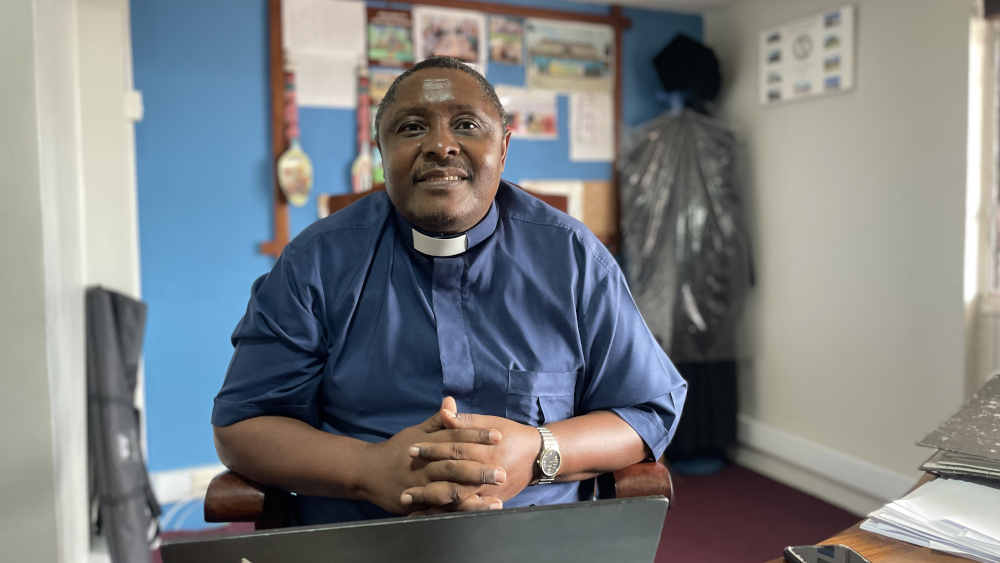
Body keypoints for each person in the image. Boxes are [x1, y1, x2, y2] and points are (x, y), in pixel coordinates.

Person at [212, 56, 687, 524]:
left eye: (465, 124)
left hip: (533, 538)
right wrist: (366, 469)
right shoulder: (315, 261)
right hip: (362, 537)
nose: (440, 145)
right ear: (381, 152)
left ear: (502, 148)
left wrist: (541, 452)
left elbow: (648, 409)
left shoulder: (573, 256)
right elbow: (243, 424)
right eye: (412, 128)